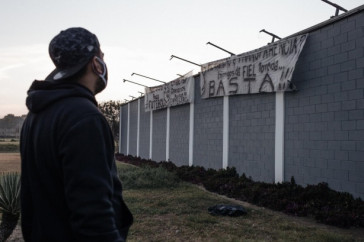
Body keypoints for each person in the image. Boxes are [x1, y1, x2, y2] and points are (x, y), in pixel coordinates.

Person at [20, 27, 133, 241]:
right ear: (95, 63)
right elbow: (93, 214)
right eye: (102, 56)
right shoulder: (85, 117)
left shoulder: (36, 115)